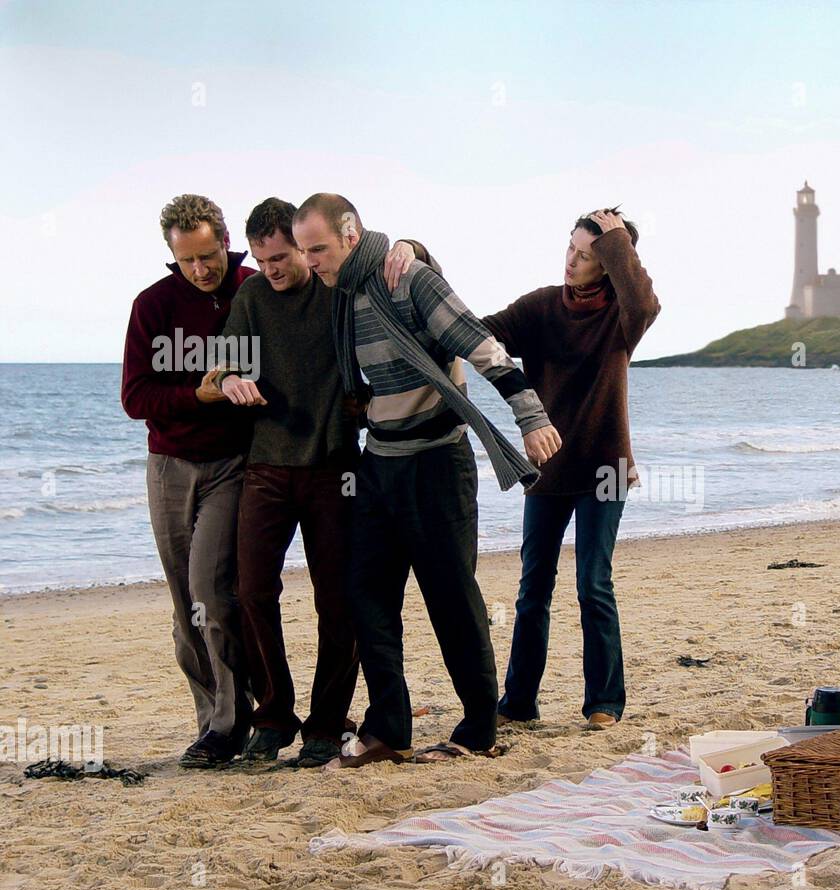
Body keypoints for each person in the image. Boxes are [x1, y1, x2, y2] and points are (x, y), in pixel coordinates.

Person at [290, 193, 562, 768]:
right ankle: (390, 727)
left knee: (451, 600)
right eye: (304, 250)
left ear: (350, 234)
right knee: (366, 596)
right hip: (380, 462)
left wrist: (530, 418)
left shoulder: (407, 278)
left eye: (318, 248)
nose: (311, 261)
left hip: (438, 464)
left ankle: (480, 727)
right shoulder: (343, 295)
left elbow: (483, 346)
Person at [213, 197, 417, 768]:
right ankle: (274, 716)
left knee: (337, 599)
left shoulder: (336, 289)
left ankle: (326, 724)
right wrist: (230, 379)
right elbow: (222, 363)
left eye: (281, 257)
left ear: (302, 248)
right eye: (262, 259)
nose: (272, 269)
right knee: (252, 589)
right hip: (266, 467)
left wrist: (410, 246)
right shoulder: (252, 297)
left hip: (334, 467)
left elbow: (396, 270)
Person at [484, 208, 659, 731]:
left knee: (592, 584)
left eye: (587, 255)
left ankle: (604, 701)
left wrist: (618, 241)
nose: (572, 262)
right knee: (532, 587)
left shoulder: (624, 319)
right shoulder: (539, 307)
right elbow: (479, 334)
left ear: (608, 263)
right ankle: (518, 702)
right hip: (548, 470)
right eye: (570, 249)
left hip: (604, 469)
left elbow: (644, 299)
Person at [121, 194, 258, 768]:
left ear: (226, 242)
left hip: (234, 464)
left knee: (211, 590)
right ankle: (213, 723)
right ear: (171, 257)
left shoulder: (254, 287)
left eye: (209, 256)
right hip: (169, 465)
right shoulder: (151, 305)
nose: (201, 270)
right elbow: (134, 398)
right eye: (187, 261)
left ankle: (232, 721)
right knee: (186, 608)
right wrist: (195, 395)